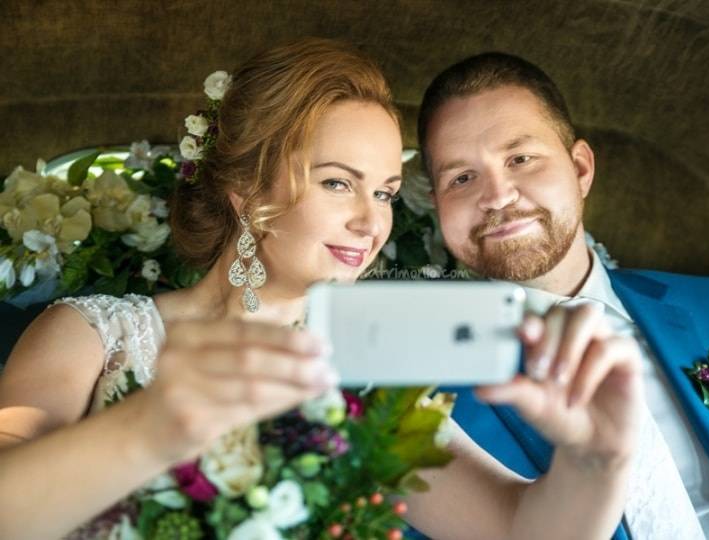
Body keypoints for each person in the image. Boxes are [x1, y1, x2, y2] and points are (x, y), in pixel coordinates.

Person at [0, 38, 643, 539]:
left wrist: (598, 459)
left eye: (386, 192)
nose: (372, 222)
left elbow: (520, 525)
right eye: (338, 182)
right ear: (249, 191)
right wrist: (147, 430)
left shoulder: (368, 375)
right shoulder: (87, 334)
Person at [417, 51, 709, 540]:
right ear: (437, 206)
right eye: (461, 178)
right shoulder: (420, 395)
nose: (497, 195)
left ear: (580, 169)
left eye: (520, 158)